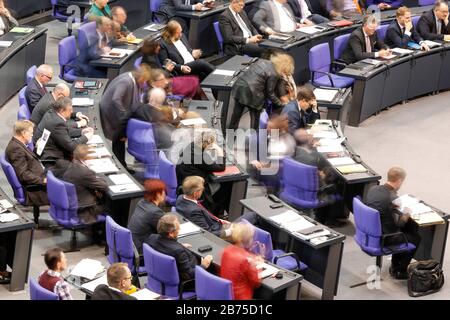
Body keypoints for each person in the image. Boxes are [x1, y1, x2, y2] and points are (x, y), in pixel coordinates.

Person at [364, 167, 421, 279]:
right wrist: (405, 215)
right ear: (399, 180)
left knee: (405, 231)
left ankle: (395, 264)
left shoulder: (374, 189)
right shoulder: (392, 197)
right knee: (415, 237)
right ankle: (400, 270)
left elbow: (381, 203)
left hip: (369, 233)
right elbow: (398, 225)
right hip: (384, 237)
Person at [99, 65, 151, 169]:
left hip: (116, 111)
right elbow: (116, 99)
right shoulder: (126, 81)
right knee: (118, 138)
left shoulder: (132, 79)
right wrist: (124, 114)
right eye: (144, 80)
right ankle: (120, 165)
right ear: (140, 77)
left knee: (119, 139)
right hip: (111, 111)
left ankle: (122, 165)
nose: (144, 83)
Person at [229, 51, 291, 130]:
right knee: (255, 121)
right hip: (253, 95)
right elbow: (270, 93)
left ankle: (229, 139)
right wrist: (281, 104)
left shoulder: (262, 61)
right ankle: (254, 141)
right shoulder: (274, 73)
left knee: (235, 117)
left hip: (240, 86)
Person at [148, 214, 213, 282]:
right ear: (171, 233)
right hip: (186, 281)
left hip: (161, 275)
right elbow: (189, 275)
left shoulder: (152, 238)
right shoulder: (178, 251)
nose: (180, 229)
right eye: (178, 227)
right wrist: (203, 266)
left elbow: (166, 246)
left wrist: (178, 245)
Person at [52, 144, 108, 224]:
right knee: (110, 207)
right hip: (84, 209)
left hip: (71, 204)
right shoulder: (85, 172)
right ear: (84, 160)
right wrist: (98, 175)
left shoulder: (70, 166)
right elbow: (104, 186)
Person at [34, 97, 94, 163]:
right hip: (52, 157)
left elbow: (63, 132)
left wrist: (81, 131)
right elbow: (71, 147)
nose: (71, 111)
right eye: (70, 109)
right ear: (62, 110)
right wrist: (86, 137)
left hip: (45, 149)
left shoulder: (51, 112)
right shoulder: (57, 123)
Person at [5, 120, 48, 206]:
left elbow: (29, 160)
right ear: (23, 133)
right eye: (31, 133)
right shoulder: (15, 149)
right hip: (35, 190)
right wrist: (43, 180)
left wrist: (37, 148)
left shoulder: (19, 144)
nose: (32, 135)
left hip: (39, 178)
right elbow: (23, 174)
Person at [220, 222, 261, 300]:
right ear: (248, 240)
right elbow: (256, 282)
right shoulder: (247, 259)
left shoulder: (226, 251)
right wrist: (257, 266)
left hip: (226, 294)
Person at [128, 179, 167, 254]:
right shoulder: (155, 212)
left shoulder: (141, 202)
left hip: (132, 244)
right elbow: (167, 233)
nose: (165, 194)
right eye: (163, 191)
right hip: (141, 251)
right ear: (158, 194)